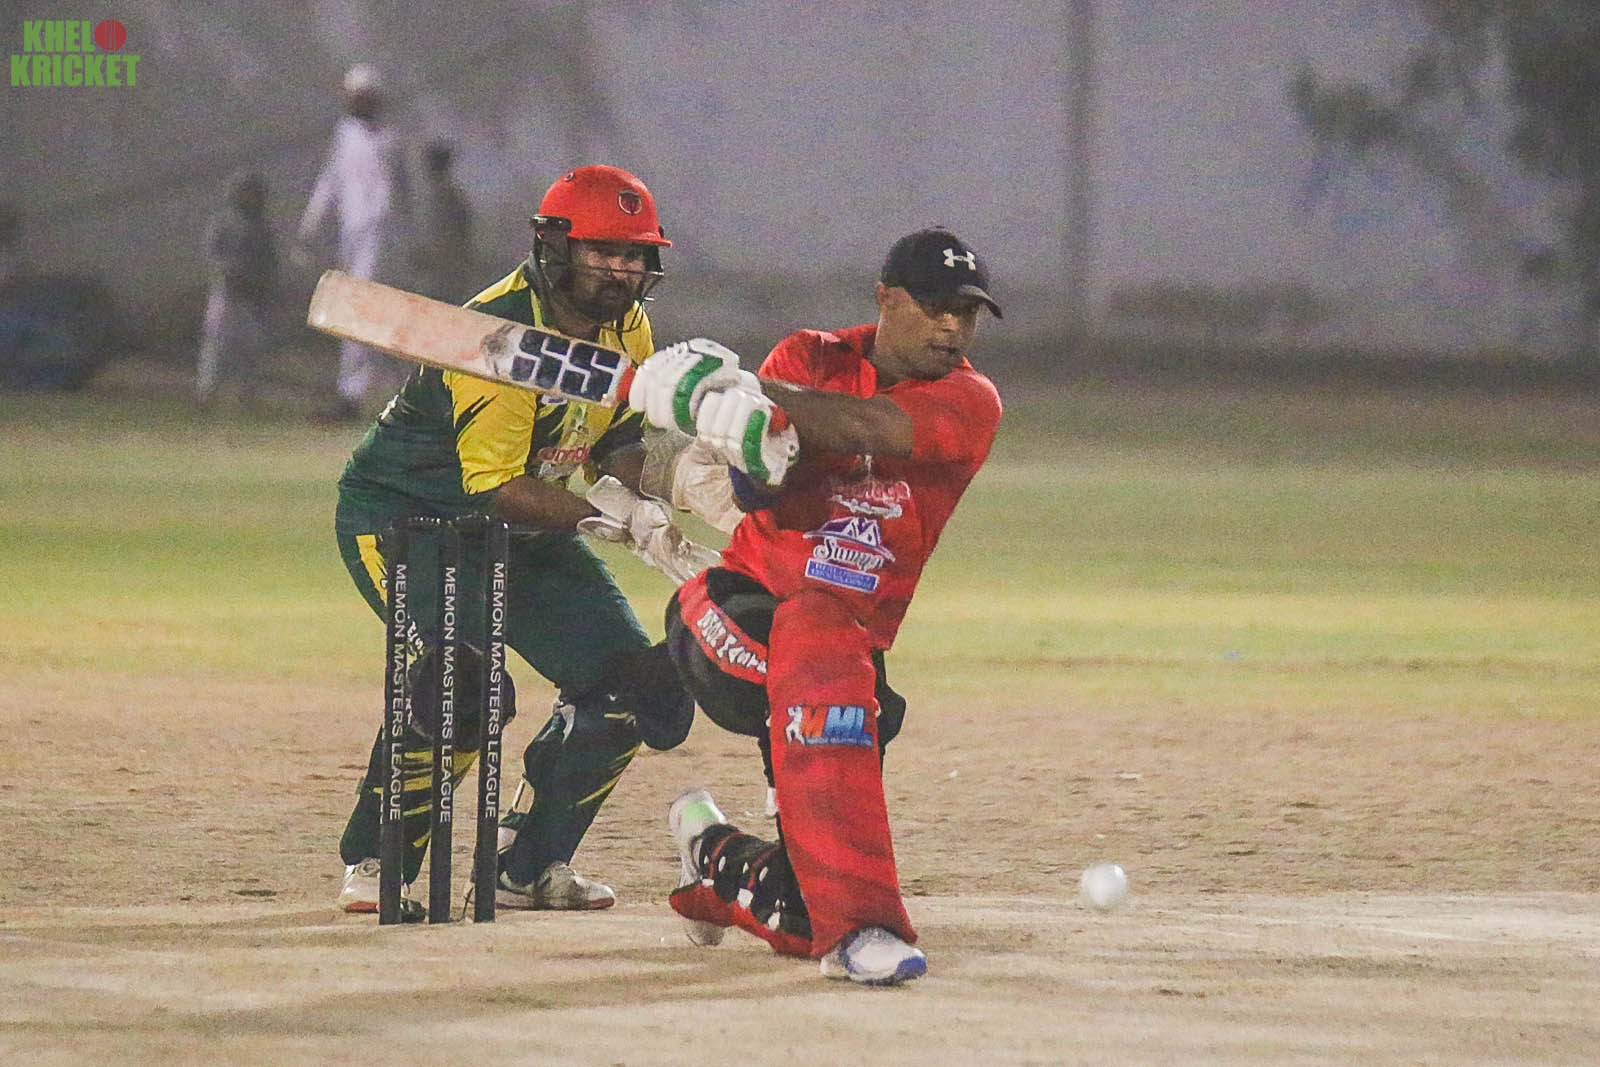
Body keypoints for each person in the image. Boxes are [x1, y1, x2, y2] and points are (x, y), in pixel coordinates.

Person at [333, 164, 709, 919]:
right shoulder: (497, 335)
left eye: (634, 254)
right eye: (603, 251)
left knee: (634, 686)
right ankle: (377, 860)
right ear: (554, 246)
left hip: (527, 526)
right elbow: (495, 485)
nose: (621, 270)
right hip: (413, 522)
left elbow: (616, 444)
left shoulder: (627, 328)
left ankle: (527, 866)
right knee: (462, 688)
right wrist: (614, 523)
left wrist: (687, 485)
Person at [630, 227, 1004, 985]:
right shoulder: (808, 355)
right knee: (820, 641)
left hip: (843, 651)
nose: (951, 327)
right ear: (885, 298)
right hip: (733, 613)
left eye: (966, 313)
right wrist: (737, 424)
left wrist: (734, 393)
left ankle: (710, 853)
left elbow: (866, 426)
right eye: (935, 306)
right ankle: (862, 926)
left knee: (803, 907)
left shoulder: (970, 401)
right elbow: (756, 485)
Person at [294, 64, 413, 422]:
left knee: (359, 311)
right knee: (368, 314)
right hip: (352, 233)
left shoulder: (390, 139)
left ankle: (351, 394)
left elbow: (402, 195)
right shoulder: (344, 135)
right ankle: (384, 393)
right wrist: (310, 227)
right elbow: (330, 183)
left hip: (380, 233)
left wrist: (408, 239)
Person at [196, 170, 278, 407]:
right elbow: (212, 254)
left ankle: (248, 393)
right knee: (216, 344)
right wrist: (227, 274)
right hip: (225, 292)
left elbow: (270, 262)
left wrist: (263, 285)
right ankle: (206, 391)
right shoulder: (222, 223)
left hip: (251, 297)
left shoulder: (262, 228)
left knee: (250, 348)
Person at [412, 140, 475, 303]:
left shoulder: (445, 198)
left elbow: (449, 238)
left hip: (444, 272)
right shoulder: (446, 196)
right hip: (442, 270)